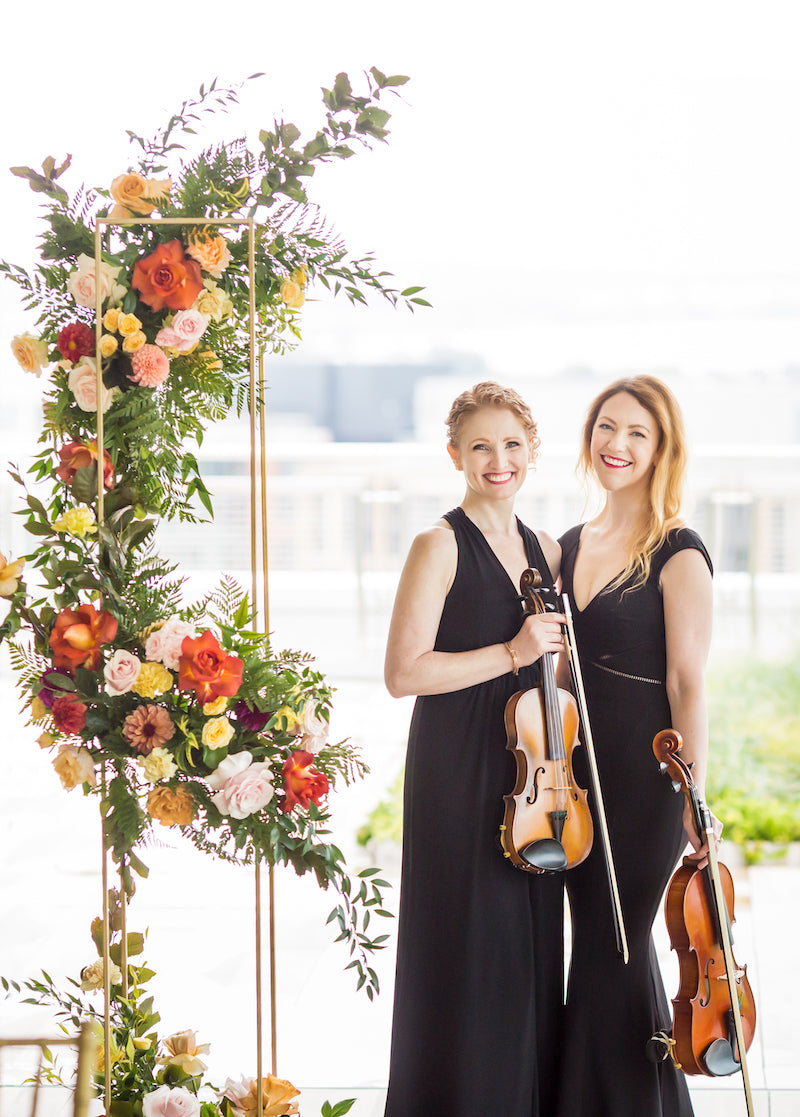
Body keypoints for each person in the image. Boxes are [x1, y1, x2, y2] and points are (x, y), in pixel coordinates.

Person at [383, 382, 566, 1117]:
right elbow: (404, 673)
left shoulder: (547, 549)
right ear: (454, 454)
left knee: (526, 948)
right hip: (457, 770)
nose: (499, 460)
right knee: (467, 945)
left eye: (513, 444)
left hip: (535, 771)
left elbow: (555, 667)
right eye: (482, 446)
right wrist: (511, 649)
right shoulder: (438, 543)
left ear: (533, 452)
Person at [555, 375, 715, 1117]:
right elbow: (557, 671)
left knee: (612, 946)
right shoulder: (562, 547)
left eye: (637, 434)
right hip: (573, 778)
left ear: (661, 451)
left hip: (645, 778)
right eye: (607, 427)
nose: (618, 444)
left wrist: (696, 796)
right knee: (604, 946)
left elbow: (686, 681)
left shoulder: (678, 550)